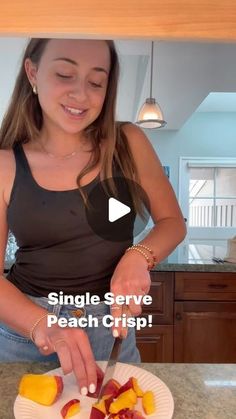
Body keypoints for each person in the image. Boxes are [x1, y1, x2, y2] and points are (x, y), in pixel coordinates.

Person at [0, 38, 186, 395]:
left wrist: (137, 256)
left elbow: (172, 222)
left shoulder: (128, 142)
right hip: (27, 334)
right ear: (32, 72)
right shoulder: (6, 164)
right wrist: (45, 324)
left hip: (109, 329)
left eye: (96, 82)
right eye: (66, 74)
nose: (81, 95)